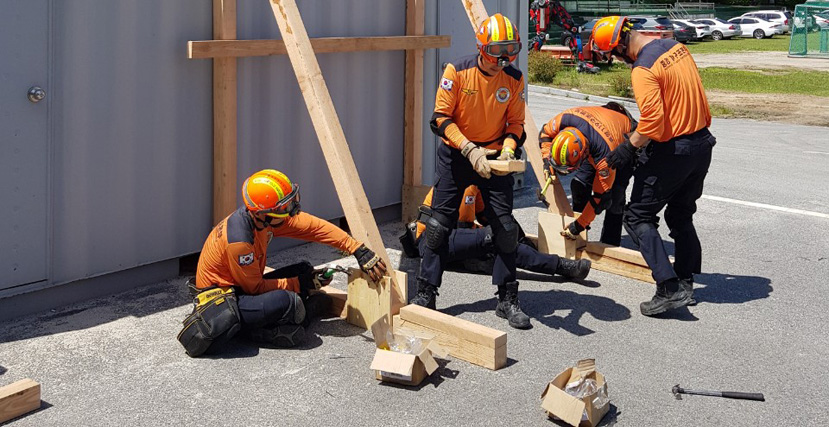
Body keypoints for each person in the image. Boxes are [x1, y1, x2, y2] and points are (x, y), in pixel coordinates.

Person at [411, 13, 531, 329]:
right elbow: (440, 118)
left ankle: (507, 298)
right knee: (438, 225)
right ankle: (427, 292)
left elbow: (516, 123)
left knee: (505, 228)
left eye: (510, 50)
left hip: (494, 157)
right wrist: (469, 148)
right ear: (481, 47)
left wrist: (508, 147)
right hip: (457, 154)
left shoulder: (514, 79)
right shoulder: (457, 72)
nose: (502, 59)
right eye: (496, 51)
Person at [591, 16, 716, 316]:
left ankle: (669, 288)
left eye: (614, 56)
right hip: (702, 146)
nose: (618, 62)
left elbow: (651, 121)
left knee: (637, 217)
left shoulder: (643, 69)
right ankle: (685, 282)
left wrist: (628, 148)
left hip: (673, 151)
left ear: (620, 47)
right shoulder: (677, 48)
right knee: (680, 214)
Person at [193, 169, 387, 349]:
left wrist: (357, 248)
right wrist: (300, 285)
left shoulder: (264, 220)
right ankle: (254, 331)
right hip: (225, 300)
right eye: (284, 207)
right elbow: (255, 288)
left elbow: (314, 228)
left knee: (304, 270)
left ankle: (290, 315)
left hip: (244, 285)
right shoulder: (240, 242)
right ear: (263, 214)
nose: (291, 210)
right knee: (288, 302)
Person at [400, 185, 591, 280]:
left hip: (463, 238)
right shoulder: (450, 181)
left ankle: (562, 267)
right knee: (491, 238)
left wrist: (521, 240)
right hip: (432, 240)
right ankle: (476, 260)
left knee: (502, 240)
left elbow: (491, 218)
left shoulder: (475, 188)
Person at [539, 102, 638, 246]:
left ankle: (610, 242)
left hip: (623, 144)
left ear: (584, 152)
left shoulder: (605, 159)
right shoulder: (563, 119)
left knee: (615, 196)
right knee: (579, 185)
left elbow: (600, 198)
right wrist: (547, 162)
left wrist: (578, 226)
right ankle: (579, 238)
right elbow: (545, 135)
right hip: (594, 132)